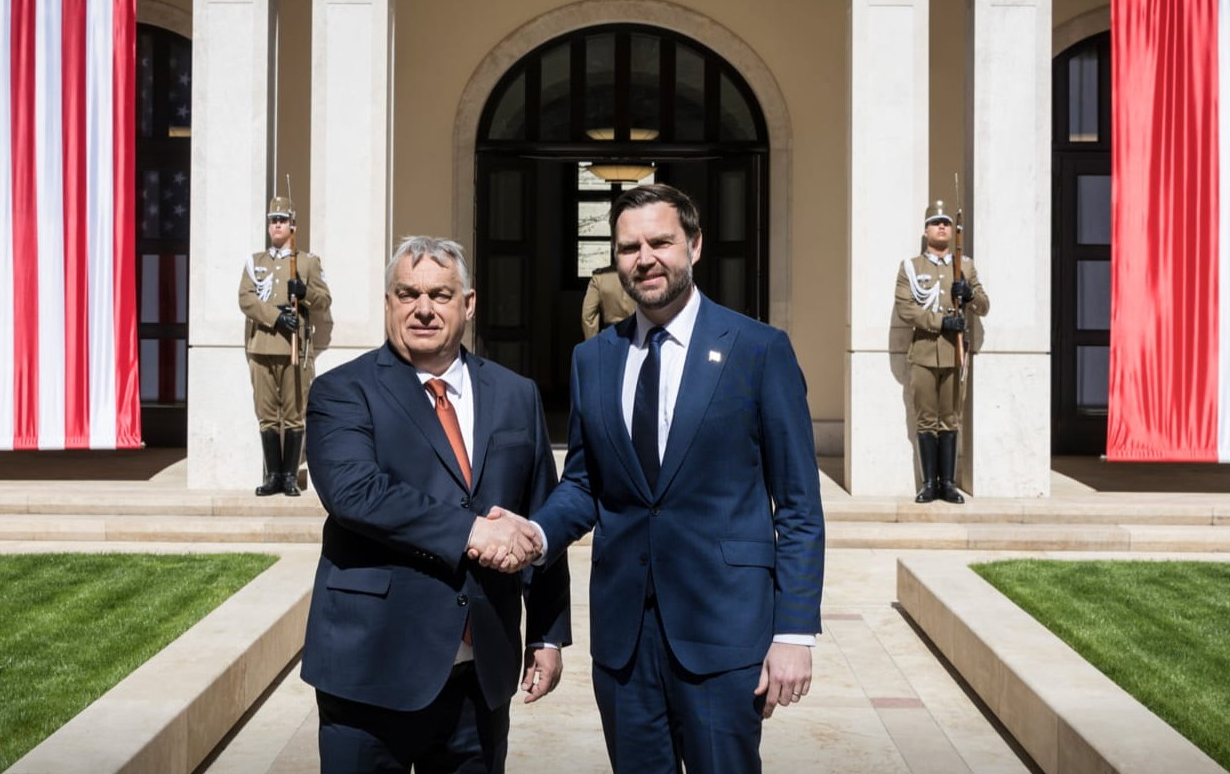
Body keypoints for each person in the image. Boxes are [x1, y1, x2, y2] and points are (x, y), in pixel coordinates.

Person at [484, 184, 825, 773]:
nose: (644, 258)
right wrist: (537, 534)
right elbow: (587, 482)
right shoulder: (593, 359)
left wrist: (795, 631)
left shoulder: (758, 349)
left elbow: (797, 505)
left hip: (724, 633)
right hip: (624, 642)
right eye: (628, 247)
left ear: (694, 245)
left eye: (660, 242)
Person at [301, 236, 571, 774]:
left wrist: (546, 632)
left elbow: (539, 512)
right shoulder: (342, 391)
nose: (424, 309)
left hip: (480, 678)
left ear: (467, 304)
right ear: (388, 303)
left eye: (441, 295)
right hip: (371, 671)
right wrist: (472, 532)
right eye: (408, 294)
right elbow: (355, 491)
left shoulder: (516, 394)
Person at [893, 199, 990, 504]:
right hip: (923, 352)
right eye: (937, 223)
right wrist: (939, 320)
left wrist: (970, 294)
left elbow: (984, 306)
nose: (942, 227)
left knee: (950, 419)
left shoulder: (966, 266)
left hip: (954, 353)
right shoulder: (911, 267)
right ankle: (928, 484)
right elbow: (905, 308)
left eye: (946, 223)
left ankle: (947, 484)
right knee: (926, 420)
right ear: (926, 230)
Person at [239, 195, 333, 497]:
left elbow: (324, 301)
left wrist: (304, 293)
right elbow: (246, 298)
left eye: (282, 220)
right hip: (262, 347)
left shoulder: (307, 262)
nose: (277, 225)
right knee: (267, 414)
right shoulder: (256, 262)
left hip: (295, 350)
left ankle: (290, 476)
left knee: (294, 414)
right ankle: (273, 476)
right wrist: (276, 318)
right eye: (272, 220)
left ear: (293, 225)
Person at [580, 263, 637, 340]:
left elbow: (588, 316)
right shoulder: (642, 274)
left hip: (610, 334)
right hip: (637, 334)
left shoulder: (600, 277)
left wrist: (592, 344)